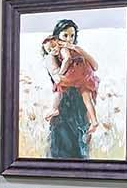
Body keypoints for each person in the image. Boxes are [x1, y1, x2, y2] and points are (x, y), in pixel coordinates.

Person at [42, 19, 101, 159]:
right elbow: (58, 79)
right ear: (57, 37)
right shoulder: (53, 55)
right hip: (64, 106)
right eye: (65, 35)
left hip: (79, 106)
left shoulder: (75, 51)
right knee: (63, 145)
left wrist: (80, 51)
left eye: (72, 36)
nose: (69, 39)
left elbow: (95, 66)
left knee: (80, 144)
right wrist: (73, 78)